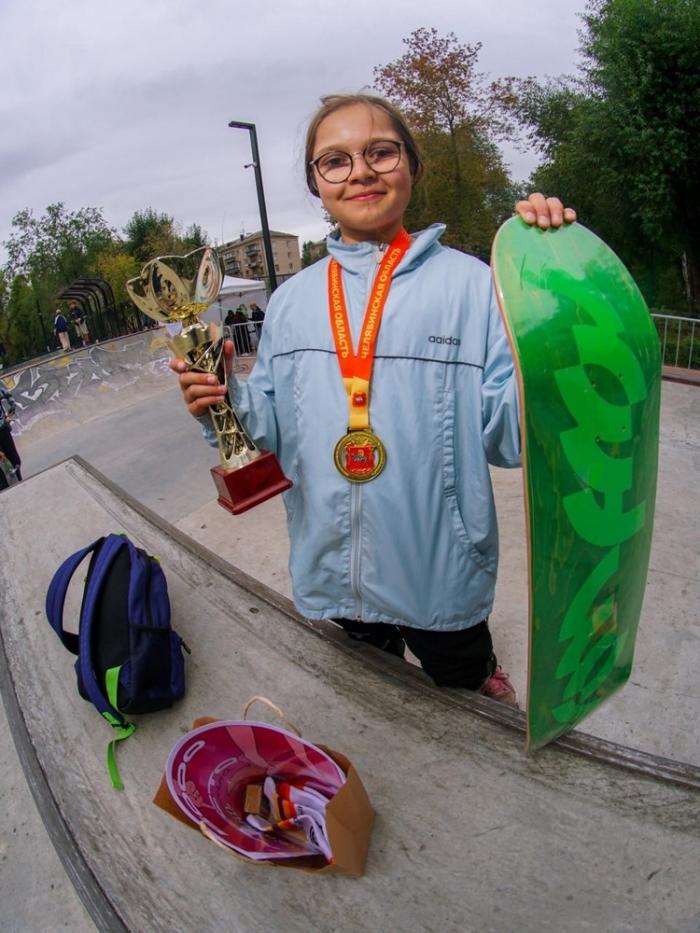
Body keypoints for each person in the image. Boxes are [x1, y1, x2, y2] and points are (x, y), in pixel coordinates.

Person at [172, 93, 576, 706]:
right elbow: (270, 432)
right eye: (334, 161)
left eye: (380, 152)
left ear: (411, 165)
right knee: (372, 696)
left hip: (440, 568)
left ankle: (478, 677)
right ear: (316, 184)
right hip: (335, 565)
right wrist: (223, 403)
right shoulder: (293, 302)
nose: (360, 171)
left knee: (465, 694)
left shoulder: (477, 287)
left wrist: (553, 288)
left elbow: (510, 437)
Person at [0, 383, 22, 490]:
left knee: (13, 457)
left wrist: (12, 408)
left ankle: (18, 478)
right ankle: (4, 488)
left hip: (3, 429)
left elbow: (6, 393)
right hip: (3, 428)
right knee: (3, 458)